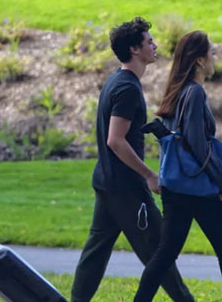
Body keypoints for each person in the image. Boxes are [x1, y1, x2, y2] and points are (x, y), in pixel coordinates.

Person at [71, 17, 195, 302]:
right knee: (158, 253)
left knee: (95, 253)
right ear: (134, 49)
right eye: (149, 41)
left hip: (108, 182)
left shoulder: (118, 80)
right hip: (126, 188)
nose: (155, 45)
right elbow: (115, 140)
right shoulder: (127, 88)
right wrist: (149, 174)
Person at [134, 31, 222, 302]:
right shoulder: (195, 93)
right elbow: (197, 145)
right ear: (199, 60)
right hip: (199, 191)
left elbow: (182, 143)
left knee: (165, 254)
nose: (214, 57)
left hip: (177, 188)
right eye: (211, 52)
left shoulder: (178, 91)